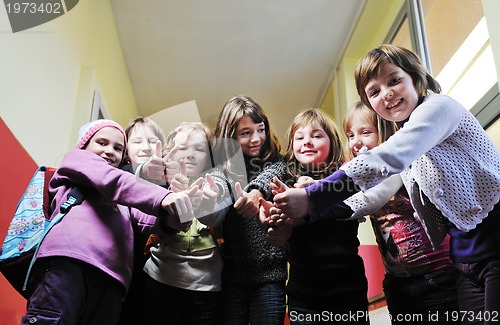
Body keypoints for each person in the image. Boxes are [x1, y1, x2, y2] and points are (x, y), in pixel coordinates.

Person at [271, 44, 500, 325]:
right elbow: (365, 200)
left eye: (394, 80)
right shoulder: (408, 141)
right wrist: (306, 208)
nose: (387, 93)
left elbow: (387, 158)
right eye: (374, 92)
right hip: (466, 258)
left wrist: (313, 197)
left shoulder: (438, 108)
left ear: (416, 79)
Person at [22, 119, 197, 325]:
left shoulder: (122, 200)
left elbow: (147, 221)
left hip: (113, 280)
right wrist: (163, 197)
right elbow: (114, 180)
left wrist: (176, 215)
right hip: (69, 263)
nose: (110, 151)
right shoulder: (77, 160)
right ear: (84, 145)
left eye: (117, 148)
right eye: (101, 143)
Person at [343, 101, 459, 324]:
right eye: (350, 135)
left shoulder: (399, 165)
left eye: (365, 132)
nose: (356, 142)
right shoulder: (362, 174)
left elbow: (369, 199)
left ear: (384, 131)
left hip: (437, 275)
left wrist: (313, 205)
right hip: (397, 282)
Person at [253, 108, 369, 325]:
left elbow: (353, 205)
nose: (307, 141)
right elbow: (281, 228)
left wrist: (315, 192)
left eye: (316, 136)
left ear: (333, 142)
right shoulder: (287, 184)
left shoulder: (345, 179)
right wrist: (275, 219)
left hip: (346, 285)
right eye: (300, 137)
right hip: (303, 289)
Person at [142, 122, 230, 325]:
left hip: (205, 288)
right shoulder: (159, 180)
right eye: (182, 148)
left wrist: (206, 204)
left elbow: (216, 216)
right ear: (170, 151)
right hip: (158, 278)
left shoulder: (217, 181)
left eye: (199, 149)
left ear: (209, 156)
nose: (190, 154)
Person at [213, 95, 288, 325]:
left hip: (270, 277)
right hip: (231, 278)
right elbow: (218, 182)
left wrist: (255, 192)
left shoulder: (280, 163)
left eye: (261, 129)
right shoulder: (221, 171)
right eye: (245, 133)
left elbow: (269, 176)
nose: (256, 138)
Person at [118, 116, 174, 325]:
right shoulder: (118, 174)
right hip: (118, 267)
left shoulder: (168, 183)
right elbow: (124, 177)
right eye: (137, 141)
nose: (146, 147)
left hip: (154, 275)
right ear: (126, 149)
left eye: (152, 141)